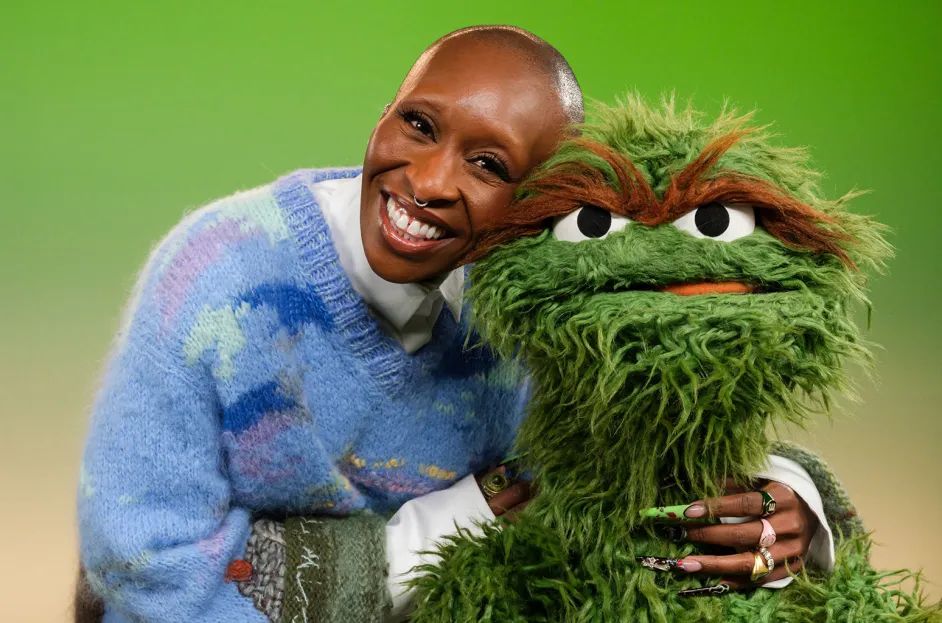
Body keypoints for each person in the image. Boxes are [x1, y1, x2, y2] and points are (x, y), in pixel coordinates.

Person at [76, 25, 836, 623]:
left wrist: (794, 499)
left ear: (537, 210)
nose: (430, 181)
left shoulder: (525, 295)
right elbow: (147, 562)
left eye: (489, 166)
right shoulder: (215, 278)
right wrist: (444, 526)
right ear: (383, 114)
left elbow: (636, 441)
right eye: (417, 124)